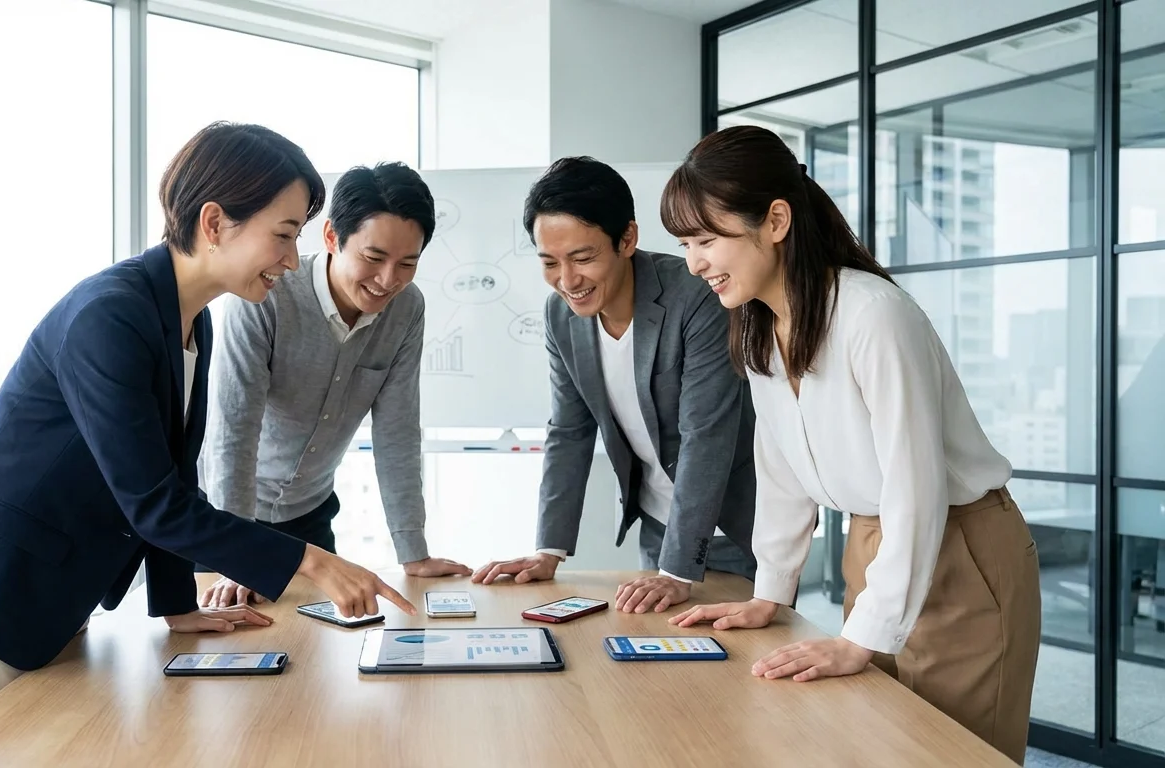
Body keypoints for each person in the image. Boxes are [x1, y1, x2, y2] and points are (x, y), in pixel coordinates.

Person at [0, 122, 416, 748]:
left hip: (52, 593)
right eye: (283, 235)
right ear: (215, 222)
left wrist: (176, 604)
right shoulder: (109, 315)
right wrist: (312, 559)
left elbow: (173, 479)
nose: (290, 259)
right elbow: (154, 504)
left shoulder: (190, 321)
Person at [661, 125, 1039, 764]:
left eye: (705, 239)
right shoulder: (757, 327)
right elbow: (778, 472)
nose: (694, 262)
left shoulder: (872, 314)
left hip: (961, 546)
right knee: (881, 746)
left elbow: (915, 486)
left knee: (960, 753)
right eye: (684, 244)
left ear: (775, 220)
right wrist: (771, 589)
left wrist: (861, 636)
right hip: (875, 545)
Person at [471, 156, 757, 615]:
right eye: (550, 262)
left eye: (583, 258)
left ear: (627, 238)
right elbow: (569, 430)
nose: (567, 280)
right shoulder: (560, 314)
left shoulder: (696, 297)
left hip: (734, 528)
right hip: (659, 527)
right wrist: (549, 550)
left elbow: (707, 434)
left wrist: (678, 571)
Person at [197, 162, 471, 609]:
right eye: (373, 258)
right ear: (330, 237)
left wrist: (412, 550)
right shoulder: (268, 296)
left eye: (408, 263)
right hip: (223, 514)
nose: (389, 280)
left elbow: (397, 431)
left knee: (311, 659)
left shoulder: (407, 309)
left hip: (308, 518)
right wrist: (235, 555)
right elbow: (233, 430)